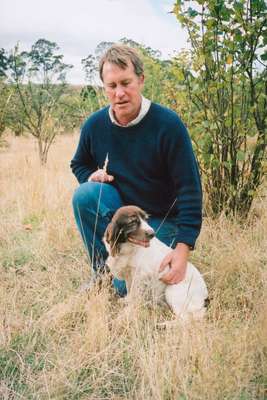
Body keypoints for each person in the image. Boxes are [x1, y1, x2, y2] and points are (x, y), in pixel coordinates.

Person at [71, 44, 202, 296]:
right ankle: (101, 274)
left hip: (162, 218)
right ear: (104, 87)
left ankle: (119, 277)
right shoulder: (95, 125)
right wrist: (91, 175)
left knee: (125, 287)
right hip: (124, 214)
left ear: (141, 80)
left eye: (126, 83)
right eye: (112, 86)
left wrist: (182, 250)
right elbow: (79, 163)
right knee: (85, 194)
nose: (119, 93)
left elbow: (190, 190)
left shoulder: (168, 125)